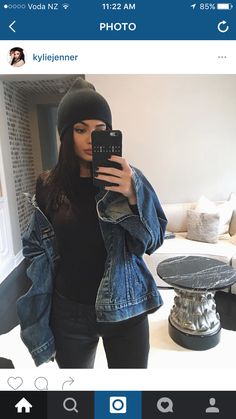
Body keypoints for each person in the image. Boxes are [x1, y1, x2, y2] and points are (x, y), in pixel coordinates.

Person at [17, 78, 167, 368]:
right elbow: (37, 247)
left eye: (100, 130)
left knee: (130, 396)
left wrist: (134, 196)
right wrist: (38, 314)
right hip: (69, 311)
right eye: (80, 129)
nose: (90, 139)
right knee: (75, 394)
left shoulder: (128, 179)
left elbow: (152, 241)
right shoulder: (48, 184)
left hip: (125, 308)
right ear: (65, 134)